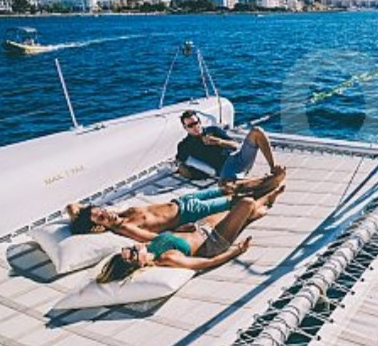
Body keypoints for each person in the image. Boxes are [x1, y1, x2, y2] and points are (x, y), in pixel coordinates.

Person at [96, 192, 274, 283]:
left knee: (242, 212)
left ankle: (263, 205)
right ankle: (268, 197)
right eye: (133, 253)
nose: (134, 247)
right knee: (246, 204)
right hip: (215, 240)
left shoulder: (149, 245)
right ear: (139, 264)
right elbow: (207, 263)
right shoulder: (166, 258)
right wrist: (236, 251)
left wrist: (181, 229)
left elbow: (170, 236)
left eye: (128, 249)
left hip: (200, 226)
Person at [66, 169, 286, 242]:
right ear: (99, 226)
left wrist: (83, 215)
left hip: (183, 200)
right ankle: (268, 190)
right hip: (189, 212)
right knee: (235, 202)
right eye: (101, 217)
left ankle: (268, 180)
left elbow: (71, 206)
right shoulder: (125, 227)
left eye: (102, 210)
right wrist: (179, 231)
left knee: (230, 187)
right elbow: (154, 238)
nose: (105, 214)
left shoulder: (120, 214)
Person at [176, 109, 282, 185]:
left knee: (257, 131)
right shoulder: (185, 145)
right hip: (225, 169)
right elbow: (180, 164)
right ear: (185, 128)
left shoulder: (212, 130)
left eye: (196, 123)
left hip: (238, 158)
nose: (195, 127)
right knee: (226, 186)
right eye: (190, 125)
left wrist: (219, 141)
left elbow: (235, 145)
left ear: (199, 121)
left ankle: (273, 168)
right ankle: (264, 181)